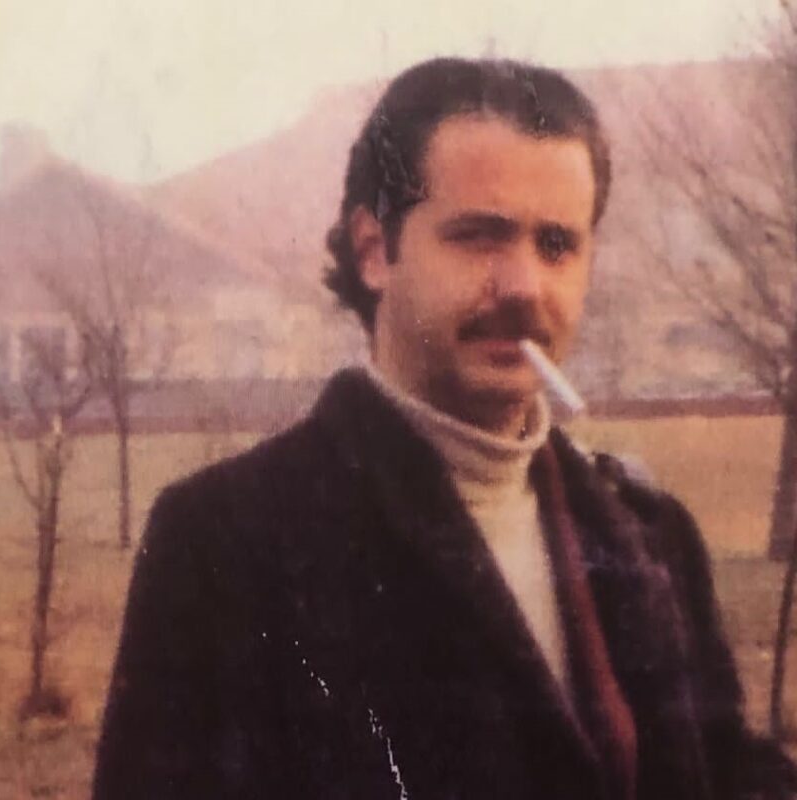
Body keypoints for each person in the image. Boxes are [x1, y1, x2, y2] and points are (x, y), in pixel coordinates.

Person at [92, 58, 797, 799]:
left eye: (557, 245)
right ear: (374, 251)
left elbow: (720, 769)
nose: (524, 285)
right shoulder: (226, 542)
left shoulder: (652, 536)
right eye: (480, 236)